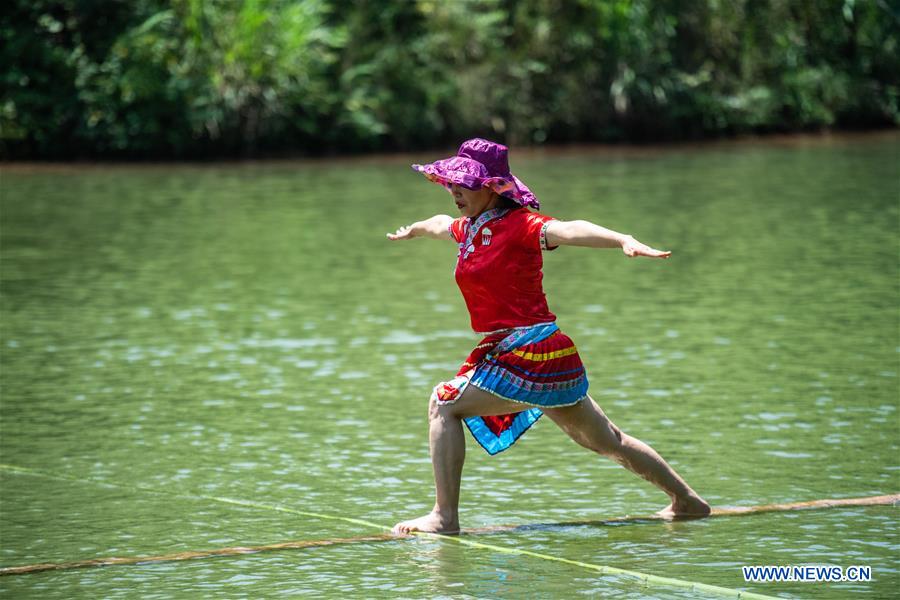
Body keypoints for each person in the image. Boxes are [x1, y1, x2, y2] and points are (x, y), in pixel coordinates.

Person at [387, 138, 710, 535]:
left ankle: (444, 517)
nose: (454, 190)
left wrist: (622, 239)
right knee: (603, 439)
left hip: (532, 350)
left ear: (492, 186)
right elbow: (438, 224)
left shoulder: (523, 226)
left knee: (444, 402)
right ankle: (688, 501)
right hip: (529, 351)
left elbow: (569, 229)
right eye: (451, 183)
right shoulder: (469, 227)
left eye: (464, 183)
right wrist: (414, 231)